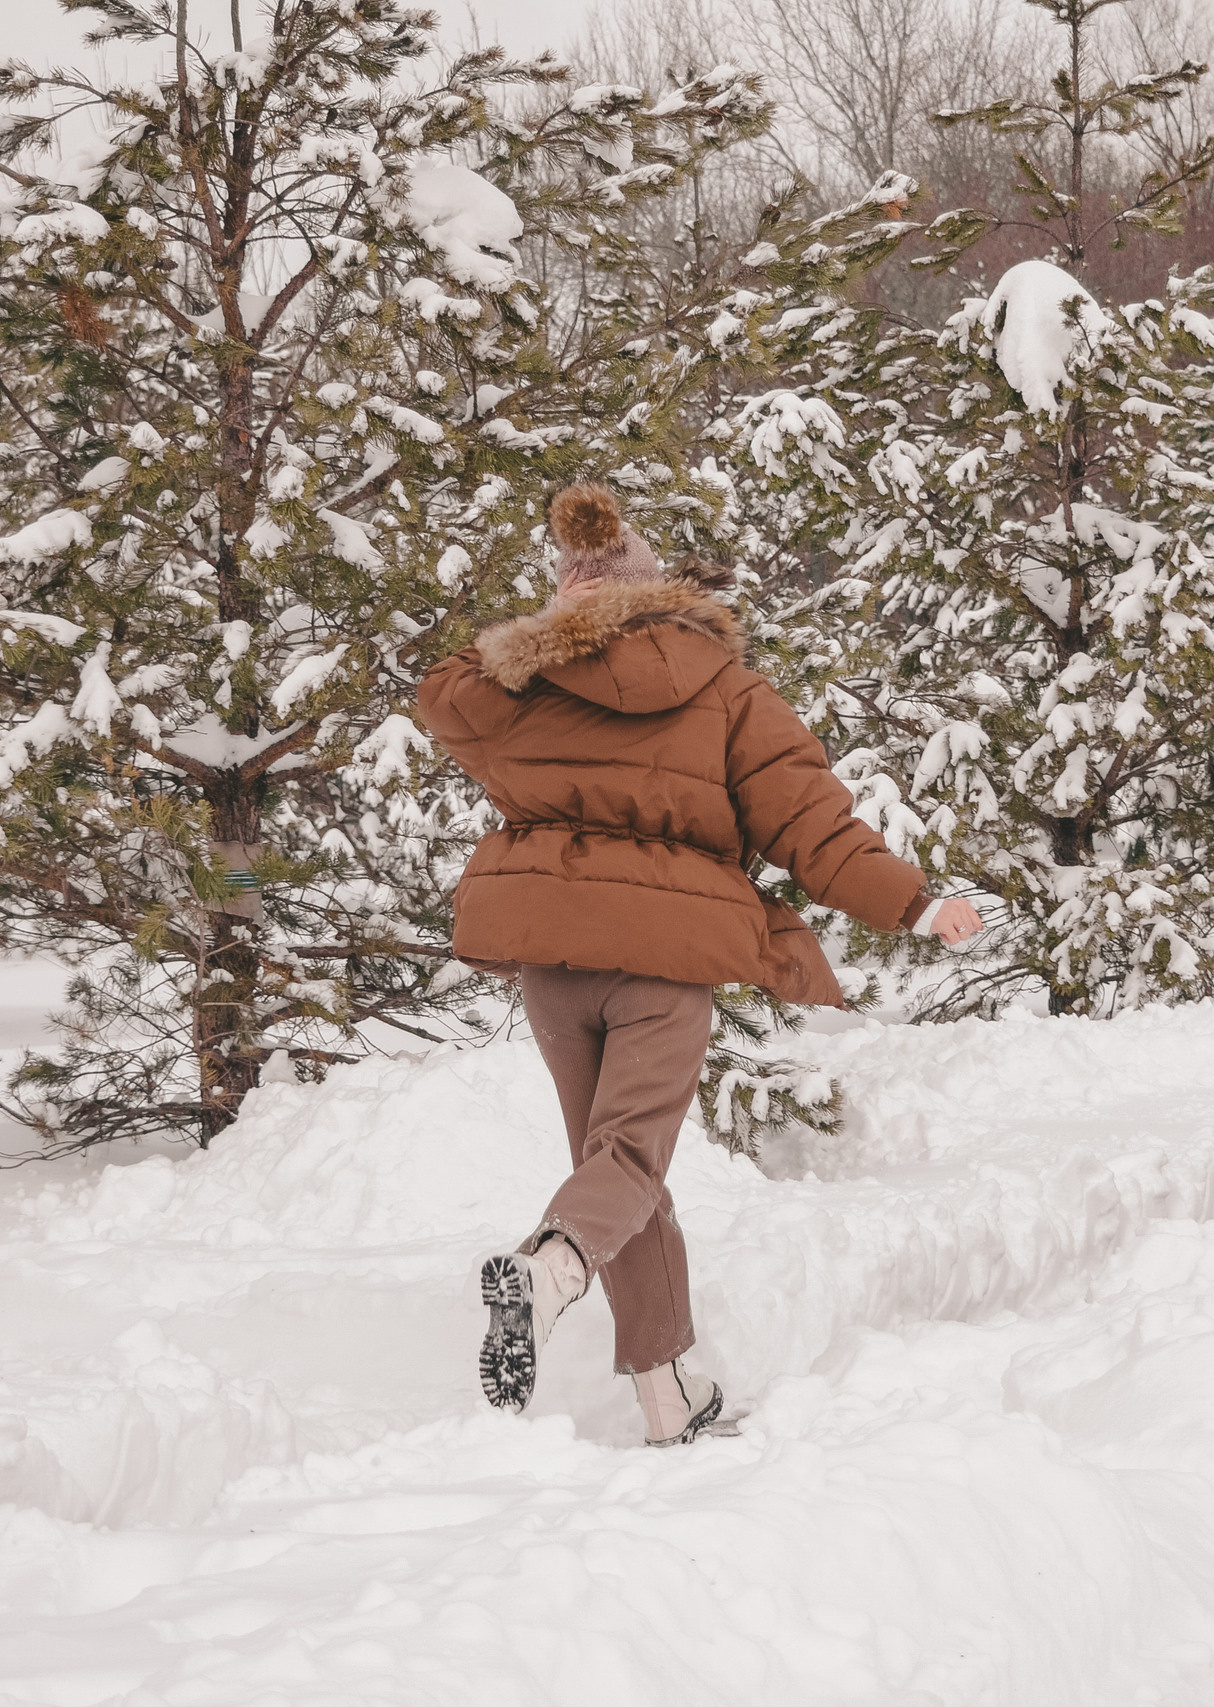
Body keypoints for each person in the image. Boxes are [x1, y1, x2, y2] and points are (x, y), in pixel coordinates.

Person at [417, 483, 982, 1446]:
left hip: (552, 960)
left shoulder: (524, 688)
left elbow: (443, 698)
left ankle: (668, 1394)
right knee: (629, 1161)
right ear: (658, 590)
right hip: (663, 956)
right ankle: (549, 1268)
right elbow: (812, 822)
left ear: (570, 596)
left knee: (614, 1170)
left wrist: (538, 639)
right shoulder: (722, 683)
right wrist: (918, 903)